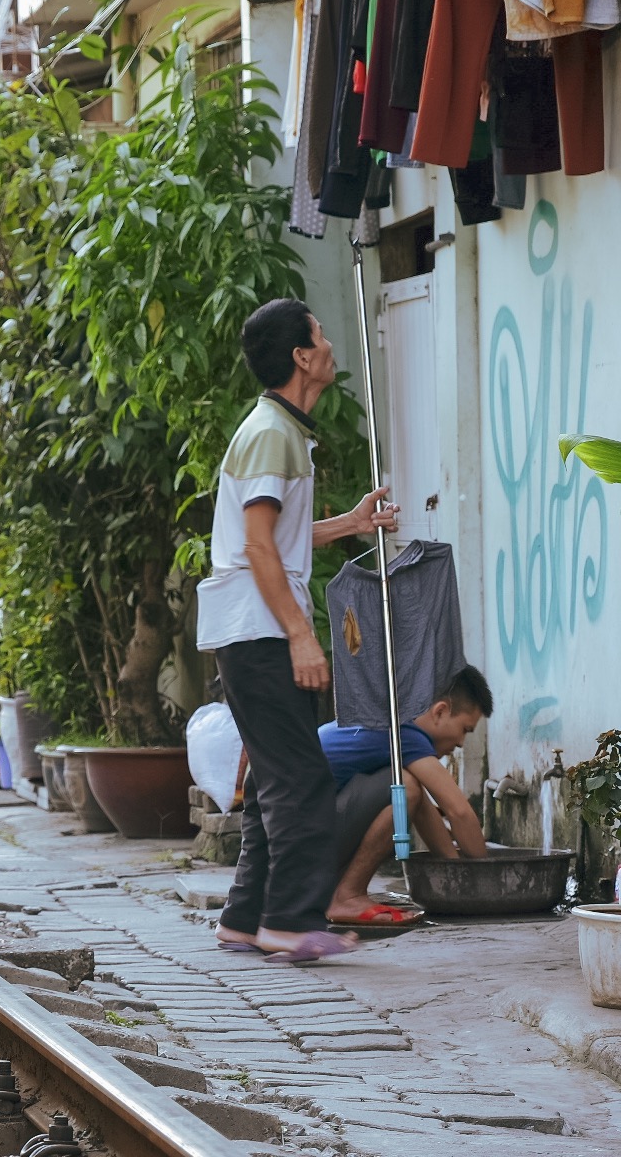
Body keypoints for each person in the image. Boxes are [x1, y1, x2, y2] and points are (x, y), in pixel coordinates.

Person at [199, 298, 398, 965]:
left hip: (254, 626)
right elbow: (257, 549)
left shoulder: (280, 429)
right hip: (259, 631)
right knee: (304, 783)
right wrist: (301, 636)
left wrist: (350, 524)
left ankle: (245, 918)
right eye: (321, 331)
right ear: (301, 357)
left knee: (275, 782)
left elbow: (275, 538)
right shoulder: (271, 434)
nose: (330, 341)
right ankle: (289, 921)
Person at [322, 666, 492, 925]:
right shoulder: (405, 733)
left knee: (408, 788)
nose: (461, 743)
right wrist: (487, 878)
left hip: (300, 840)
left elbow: (423, 808)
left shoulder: (391, 723)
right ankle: (347, 896)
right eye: (465, 730)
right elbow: (459, 812)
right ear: (440, 711)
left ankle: (339, 891)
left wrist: (455, 871)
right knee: (406, 787)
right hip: (302, 841)